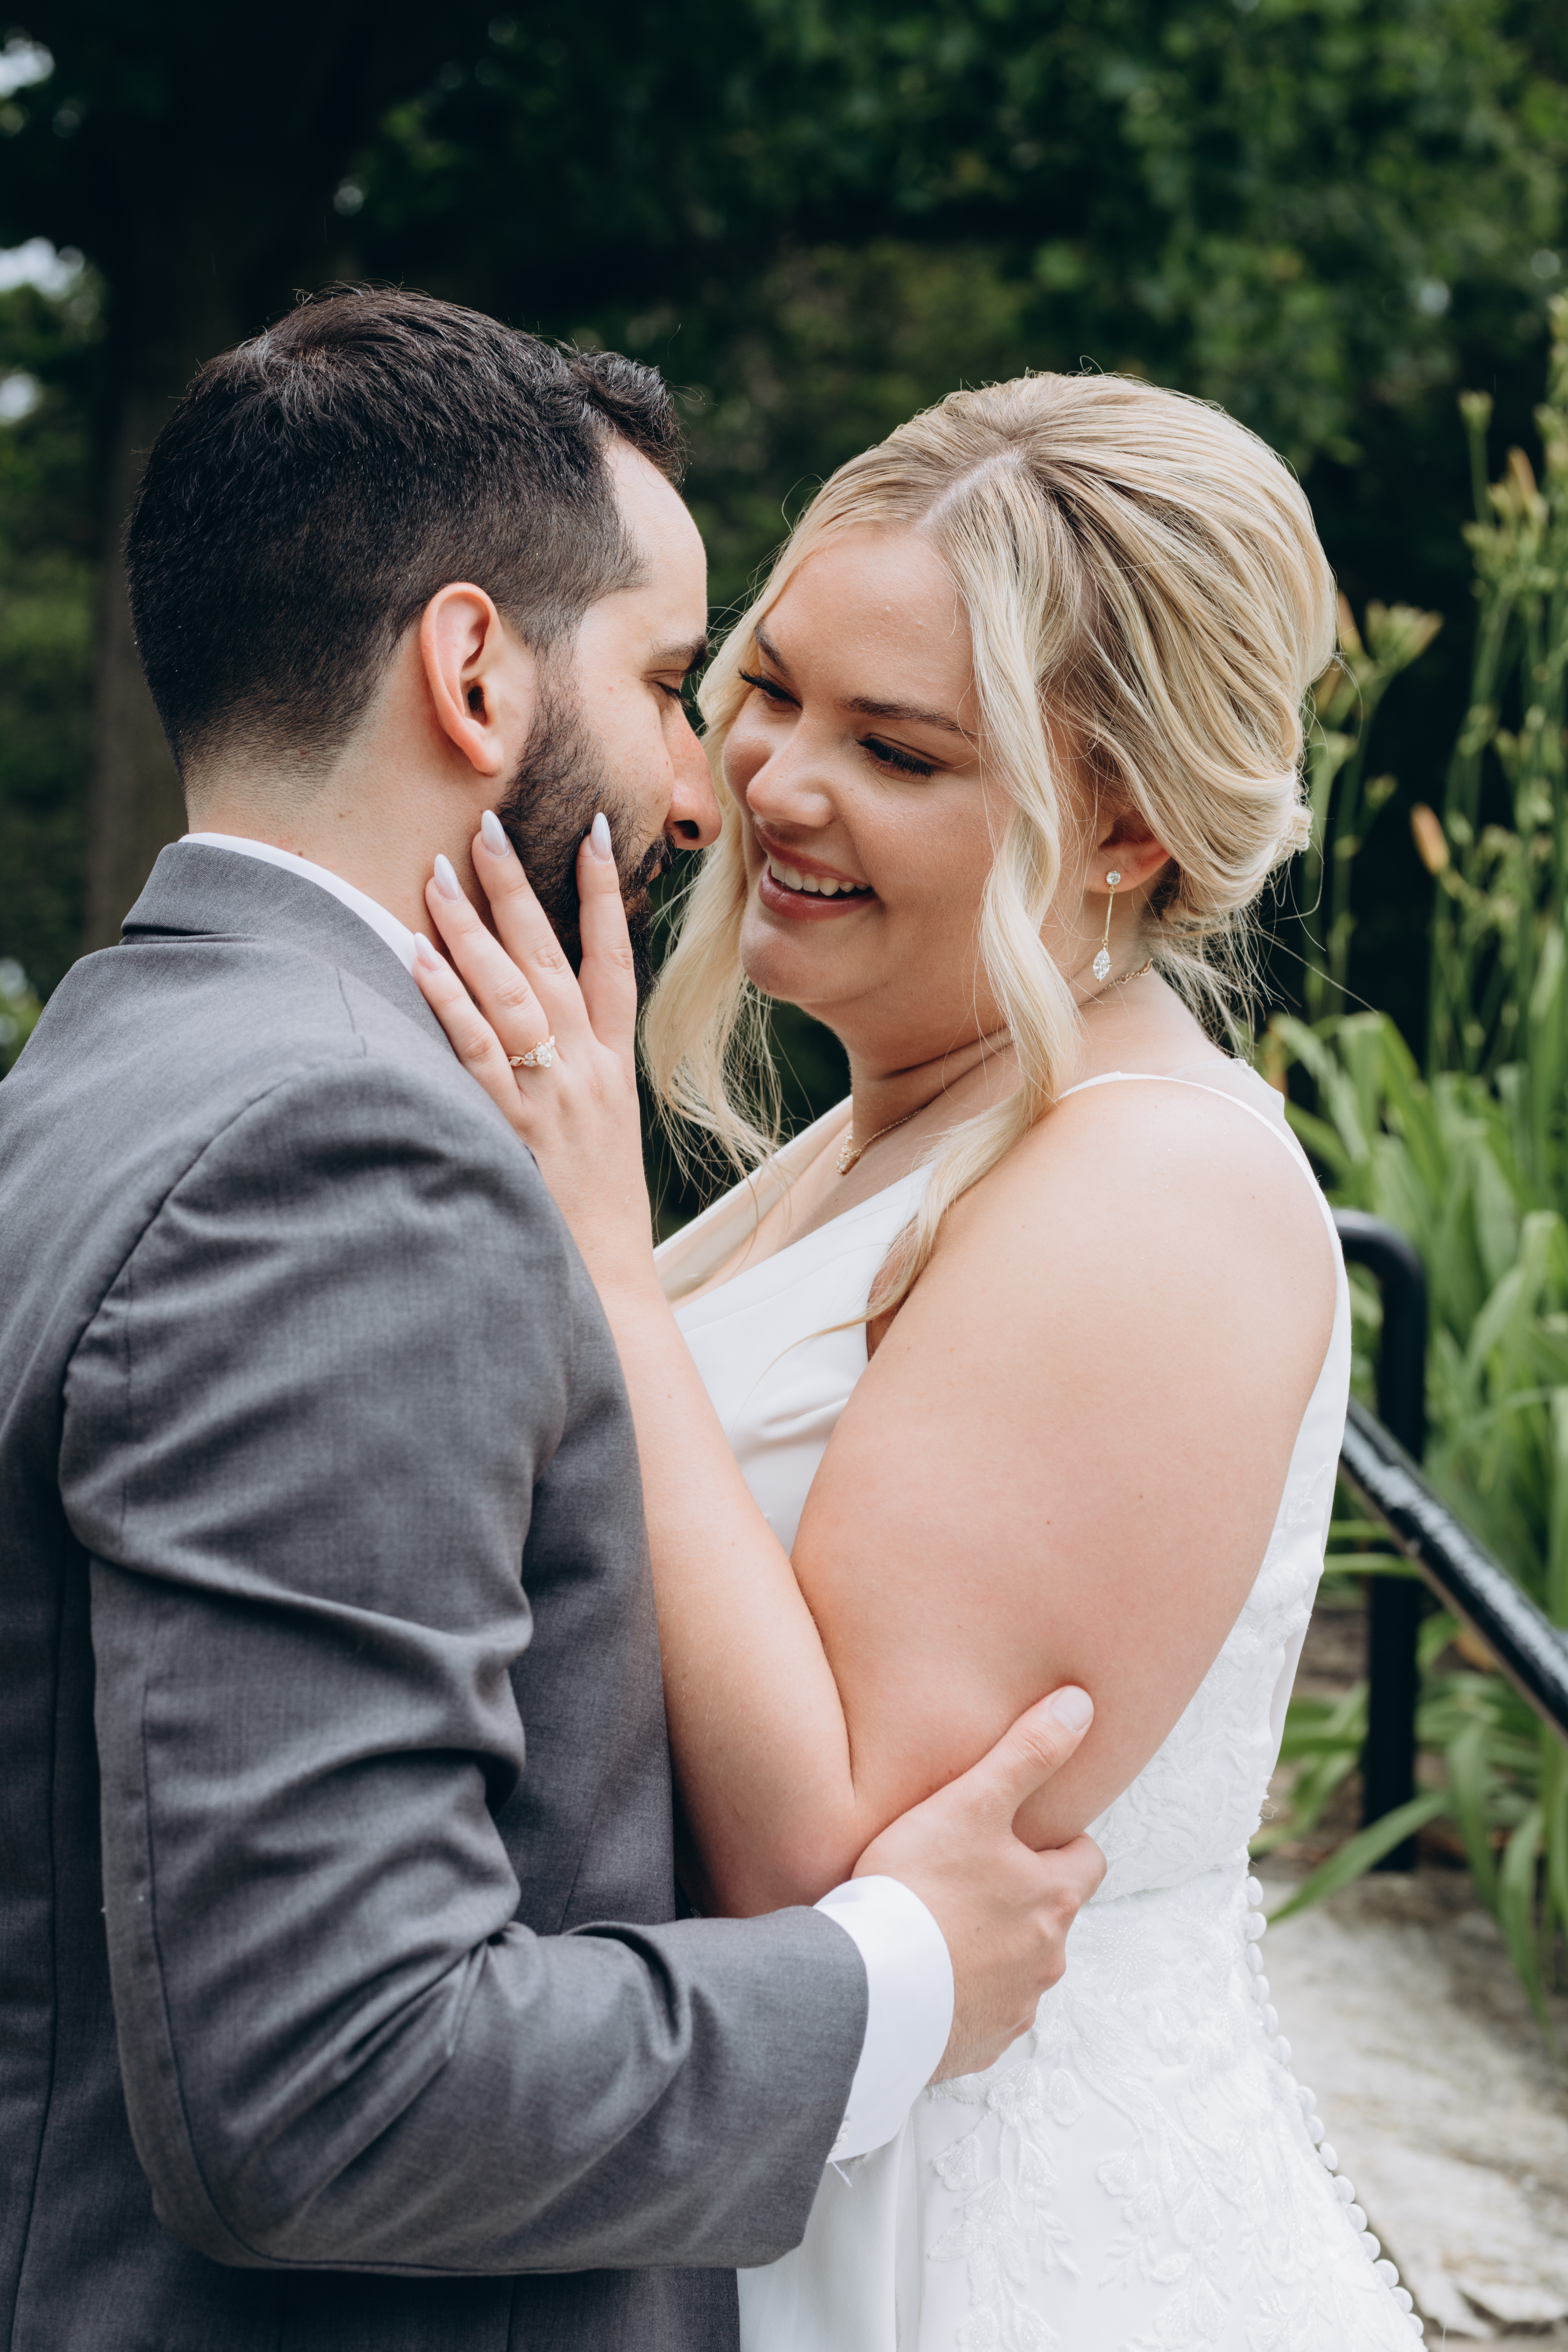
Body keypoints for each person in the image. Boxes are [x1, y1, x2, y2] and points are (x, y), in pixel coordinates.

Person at [0, 291, 1108, 2352]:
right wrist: (900, 1977)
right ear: (475, 672)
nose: (703, 792)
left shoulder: (96, 1066)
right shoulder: (341, 1160)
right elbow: (330, 2090)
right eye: (676, 685)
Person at [414, 370, 1425, 2347]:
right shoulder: (892, 1135)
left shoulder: (1155, 1190)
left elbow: (841, 1866)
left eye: (895, 749)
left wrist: (601, 1262)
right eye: (772, 690)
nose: (775, 783)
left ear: (1123, 826)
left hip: (967, 2251)